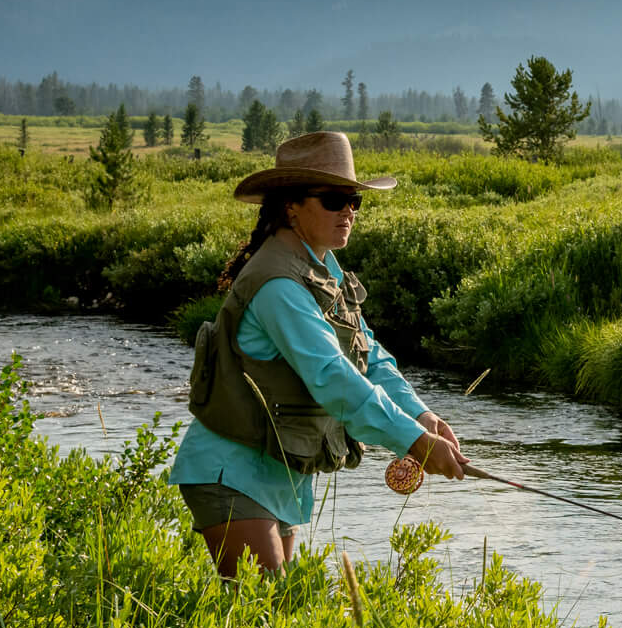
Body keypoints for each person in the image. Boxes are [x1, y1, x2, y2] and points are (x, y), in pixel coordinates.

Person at [171, 130, 471, 575]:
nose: (348, 210)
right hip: (229, 470)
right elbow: (332, 376)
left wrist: (420, 416)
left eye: (354, 200)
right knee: (264, 613)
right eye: (334, 199)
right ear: (291, 205)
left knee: (275, 620)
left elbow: (370, 357)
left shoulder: (323, 269)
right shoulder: (278, 285)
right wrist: (412, 442)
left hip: (281, 472)